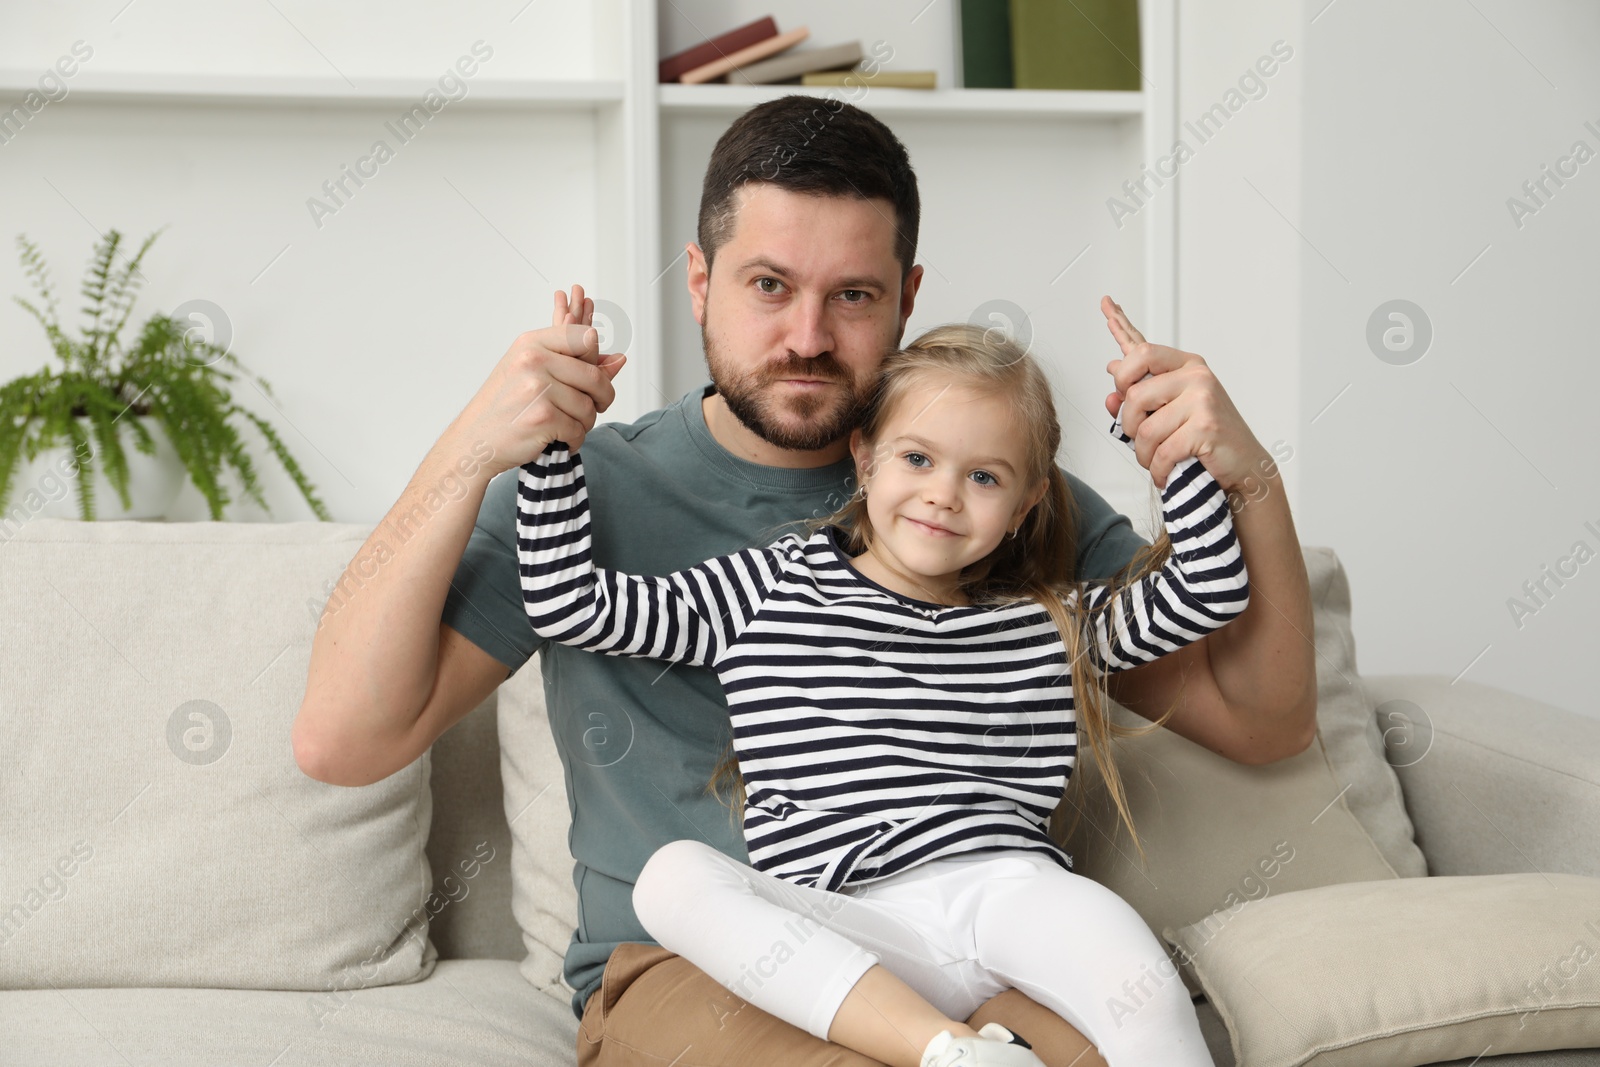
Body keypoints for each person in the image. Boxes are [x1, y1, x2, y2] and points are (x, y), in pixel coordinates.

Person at [292, 94, 1318, 1067]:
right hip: (692, 970)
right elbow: (342, 739)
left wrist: (1243, 473)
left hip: (984, 943)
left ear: (908, 298)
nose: (808, 338)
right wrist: (474, 448)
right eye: (769, 285)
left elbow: (1263, 720)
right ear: (699, 281)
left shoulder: (985, 491)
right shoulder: (602, 486)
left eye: (855, 296)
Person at [514, 316, 1243, 1067]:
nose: (944, 495)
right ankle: (953, 1051)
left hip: (1010, 896)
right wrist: (555, 447)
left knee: (1141, 981)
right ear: (865, 459)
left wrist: (1171, 451)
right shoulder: (771, 587)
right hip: (849, 928)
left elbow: (1211, 589)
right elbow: (569, 602)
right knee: (672, 880)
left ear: (1025, 506)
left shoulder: (1049, 620)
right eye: (918, 458)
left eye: (984, 476)